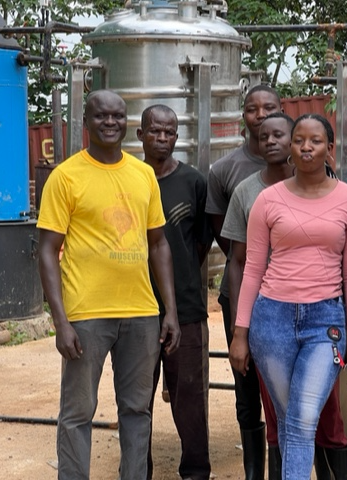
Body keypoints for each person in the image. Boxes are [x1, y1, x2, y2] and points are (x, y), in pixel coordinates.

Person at [37, 90, 180, 480]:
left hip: (141, 313)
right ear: (86, 122)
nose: (111, 123)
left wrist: (170, 311)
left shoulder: (142, 174)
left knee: (137, 410)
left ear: (127, 121)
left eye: (118, 116)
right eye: (102, 116)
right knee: (78, 413)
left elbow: (159, 243)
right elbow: (47, 251)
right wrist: (60, 322)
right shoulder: (67, 176)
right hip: (87, 316)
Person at [229, 114, 347, 479]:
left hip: (326, 322)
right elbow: (252, 269)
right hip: (271, 320)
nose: (306, 147)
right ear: (291, 148)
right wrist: (240, 334)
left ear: (330, 149)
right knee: (289, 420)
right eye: (300, 140)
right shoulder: (267, 200)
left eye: (315, 141)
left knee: (304, 418)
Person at [205, 84, 282, 479]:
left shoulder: (305, 162)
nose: (261, 115)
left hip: (295, 295)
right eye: (253, 109)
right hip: (242, 291)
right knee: (247, 386)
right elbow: (227, 238)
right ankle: (255, 469)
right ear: (243, 117)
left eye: (270, 107)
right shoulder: (225, 171)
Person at [138, 105, 214, 480]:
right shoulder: (130, 179)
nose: (162, 139)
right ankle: (139, 470)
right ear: (140, 135)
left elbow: (199, 242)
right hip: (134, 309)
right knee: (137, 400)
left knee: (190, 399)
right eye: (155, 131)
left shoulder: (193, 182)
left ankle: (196, 471)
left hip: (185, 307)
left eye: (169, 132)